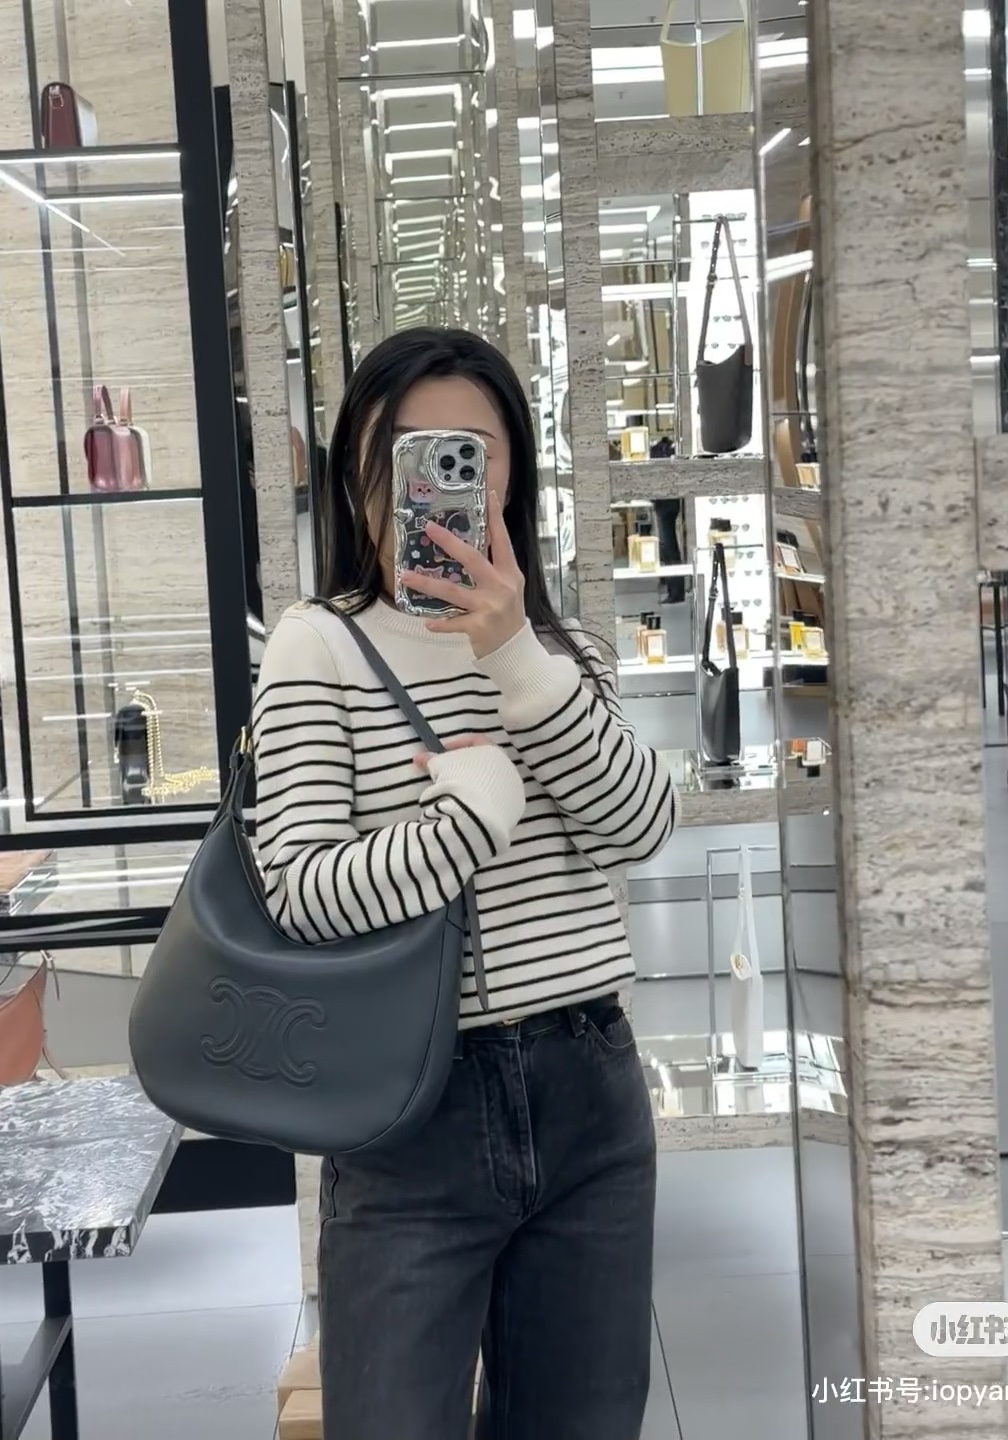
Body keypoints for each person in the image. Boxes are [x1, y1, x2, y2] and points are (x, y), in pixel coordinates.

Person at [252, 327, 679, 1440]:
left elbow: (639, 825)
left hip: (589, 1091)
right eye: (410, 452)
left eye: (470, 455)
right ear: (360, 472)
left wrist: (515, 656)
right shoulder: (317, 646)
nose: (441, 483)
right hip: (411, 1112)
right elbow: (300, 891)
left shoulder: (559, 651)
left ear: (511, 476)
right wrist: (469, 821)